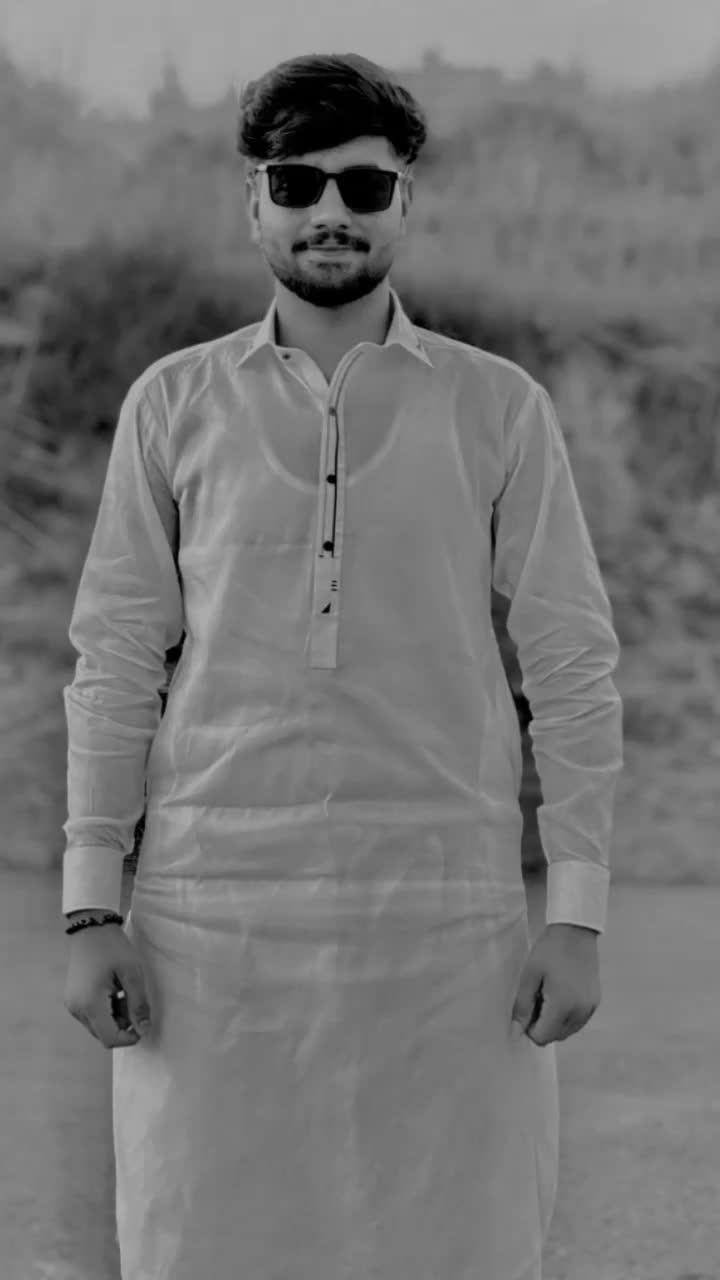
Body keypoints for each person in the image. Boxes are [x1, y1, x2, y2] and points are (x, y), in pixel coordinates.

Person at [62, 51, 624, 1280]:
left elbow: (572, 662)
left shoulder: (497, 407)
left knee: (457, 1241)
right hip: (210, 922)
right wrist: (93, 903)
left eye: (364, 187)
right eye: (297, 182)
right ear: (252, 201)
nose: (330, 211)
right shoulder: (174, 404)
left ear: (405, 201)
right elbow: (115, 658)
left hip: (445, 919)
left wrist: (576, 912)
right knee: (202, 1239)